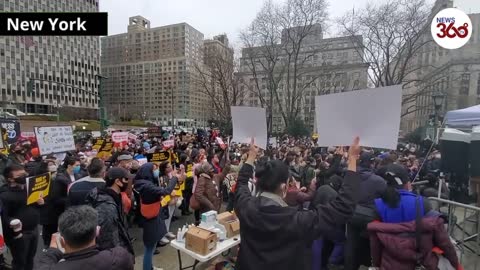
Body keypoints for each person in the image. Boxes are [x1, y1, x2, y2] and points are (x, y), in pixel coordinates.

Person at [234, 137, 361, 270]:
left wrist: (251, 156)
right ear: (284, 187)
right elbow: (343, 207)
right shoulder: (297, 220)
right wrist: (352, 159)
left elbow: (241, 183)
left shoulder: (245, 207)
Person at [368, 164, 461, 270]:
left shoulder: (378, 205)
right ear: (407, 183)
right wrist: (455, 264)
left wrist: (376, 264)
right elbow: (444, 242)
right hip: (420, 263)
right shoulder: (422, 203)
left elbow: (375, 243)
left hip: (389, 265)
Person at [34, 205, 134, 270]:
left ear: (62, 240)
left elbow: (42, 266)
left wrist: (52, 251)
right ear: (97, 231)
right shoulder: (119, 258)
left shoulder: (55, 267)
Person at [134, 163, 178, 270]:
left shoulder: (143, 183)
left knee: (152, 246)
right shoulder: (147, 186)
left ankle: (150, 267)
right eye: (154, 169)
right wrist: (175, 178)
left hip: (151, 215)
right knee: (150, 248)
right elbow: (166, 191)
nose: (156, 171)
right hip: (151, 218)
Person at [0, 164, 44, 270]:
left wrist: (40, 203)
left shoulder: (29, 189)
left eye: (24, 174)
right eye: (20, 175)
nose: (24, 176)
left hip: (33, 229)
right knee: (20, 261)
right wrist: (12, 222)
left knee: (30, 258)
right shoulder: (4, 195)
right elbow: (3, 217)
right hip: (19, 235)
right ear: (10, 179)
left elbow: (32, 207)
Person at [86, 167, 134, 256]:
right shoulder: (107, 206)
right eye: (126, 179)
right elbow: (108, 238)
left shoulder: (114, 196)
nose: (128, 182)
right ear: (118, 181)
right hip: (113, 256)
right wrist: (117, 256)